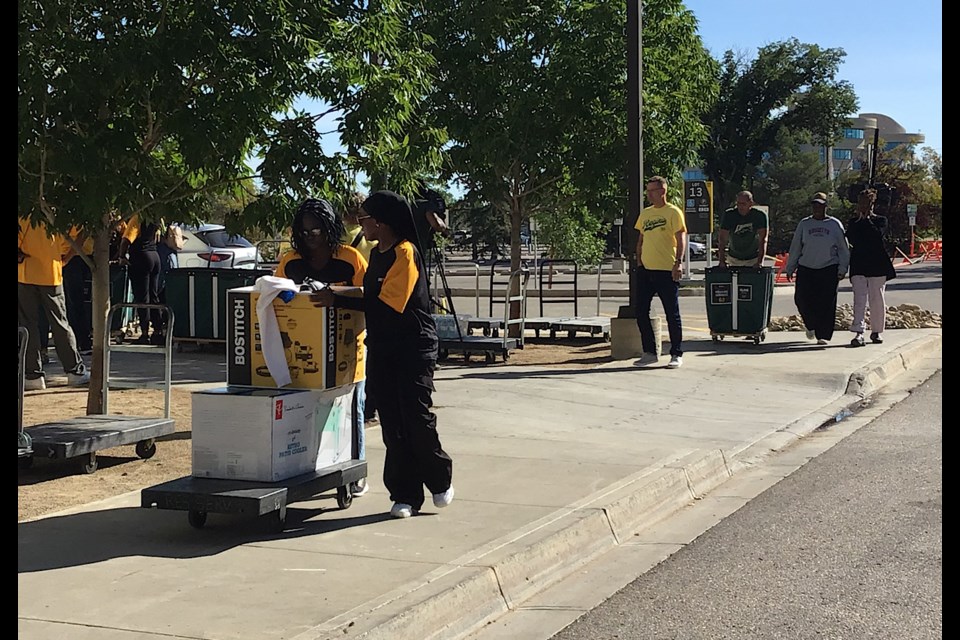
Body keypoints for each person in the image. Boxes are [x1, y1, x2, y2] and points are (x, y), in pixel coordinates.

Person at [311, 190, 454, 519]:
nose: (360, 225)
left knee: (415, 417)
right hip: (383, 347)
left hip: (414, 346)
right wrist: (335, 291)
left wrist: (340, 299)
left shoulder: (405, 253)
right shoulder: (376, 254)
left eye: (364, 219)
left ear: (382, 222)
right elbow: (368, 293)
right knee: (392, 422)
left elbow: (390, 303)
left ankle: (439, 478)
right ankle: (404, 495)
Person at [274, 198, 370, 497]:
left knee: (353, 410)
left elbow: (370, 295)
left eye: (316, 230)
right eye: (304, 232)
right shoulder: (290, 261)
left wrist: (337, 295)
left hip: (348, 349)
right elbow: (273, 292)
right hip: (302, 353)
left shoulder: (350, 258)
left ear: (329, 227)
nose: (310, 236)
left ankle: (356, 471)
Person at [18, 216, 91, 391]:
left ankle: (33, 374)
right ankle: (74, 370)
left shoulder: (23, 210)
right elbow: (82, 232)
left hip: (24, 272)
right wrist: (68, 257)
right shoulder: (58, 210)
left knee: (28, 324)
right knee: (60, 322)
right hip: (51, 271)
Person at [634, 175, 687, 369]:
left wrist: (678, 263)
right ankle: (649, 352)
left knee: (671, 313)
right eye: (647, 191)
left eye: (652, 190)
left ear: (663, 191)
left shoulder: (673, 212)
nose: (649, 194)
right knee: (641, 312)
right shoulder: (646, 214)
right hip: (646, 270)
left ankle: (676, 353)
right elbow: (641, 238)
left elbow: (681, 237)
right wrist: (639, 259)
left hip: (667, 269)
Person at [784, 192, 850, 345]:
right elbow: (796, 246)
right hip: (807, 267)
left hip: (828, 267)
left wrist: (843, 268)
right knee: (801, 299)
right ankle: (810, 324)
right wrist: (790, 266)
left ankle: (823, 335)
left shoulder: (834, 224)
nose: (817, 208)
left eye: (820, 205)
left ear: (826, 206)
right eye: (814, 205)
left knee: (826, 303)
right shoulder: (804, 224)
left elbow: (843, 248)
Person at [340, 191, 380, 426]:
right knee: (368, 354)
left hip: (339, 300)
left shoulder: (336, 238)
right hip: (364, 299)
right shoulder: (369, 239)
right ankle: (368, 408)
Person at [845, 188, 897, 347]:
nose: (864, 207)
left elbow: (876, 236)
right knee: (859, 298)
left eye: (867, 204)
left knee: (877, 298)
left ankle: (876, 331)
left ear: (873, 205)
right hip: (859, 264)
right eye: (861, 204)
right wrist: (860, 219)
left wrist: (867, 219)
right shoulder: (853, 222)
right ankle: (859, 331)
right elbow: (851, 238)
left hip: (877, 264)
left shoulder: (880, 221)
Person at [118, 215, 165, 344]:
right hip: (155, 256)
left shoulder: (137, 219)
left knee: (142, 296)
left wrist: (121, 256)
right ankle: (158, 331)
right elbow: (157, 238)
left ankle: (144, 334)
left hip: (141, 256)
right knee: (153, 295)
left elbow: (126, 240)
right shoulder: (156, 218)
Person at [717, 191, 768, 268]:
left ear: (751, 203)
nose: (741, 207)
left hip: (753, 258)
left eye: (744, 204)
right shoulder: (729, 215)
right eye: (738, 204)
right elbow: (722, 239)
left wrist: (760, 261)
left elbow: (763, 239)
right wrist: (722, 260)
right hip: (733, 258)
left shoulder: (759, 216)